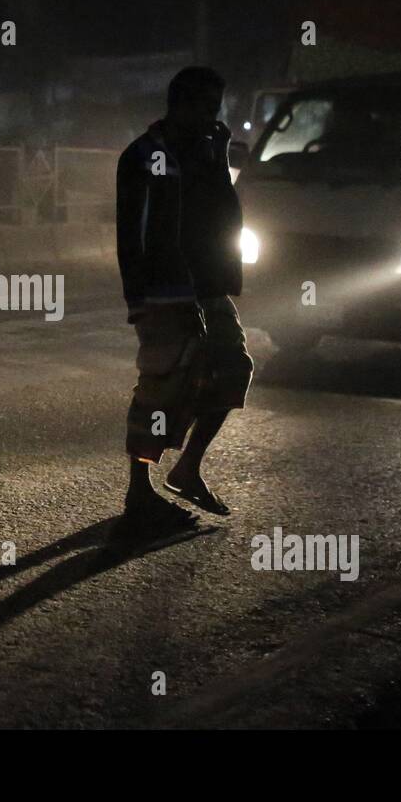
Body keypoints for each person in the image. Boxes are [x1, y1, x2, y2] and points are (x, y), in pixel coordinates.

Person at [115, 66, 254, 532]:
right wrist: (146, 298)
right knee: (161, 387)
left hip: (207, 288)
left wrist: (218, 156)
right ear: (181, 106)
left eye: (217, 111)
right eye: (207, 110)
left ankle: (187, 468)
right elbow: (138, 236)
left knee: (232, 368)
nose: (213, 120)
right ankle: (140, 491)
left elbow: (225, 213)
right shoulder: (146, 155)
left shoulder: (204, 153)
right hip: (165, 293)